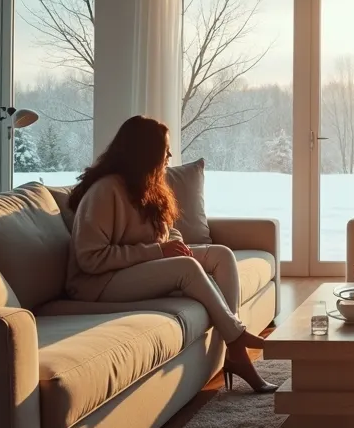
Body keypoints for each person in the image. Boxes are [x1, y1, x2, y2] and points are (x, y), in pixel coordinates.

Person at [65, 115, 277, 393]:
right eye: (164, 149)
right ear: (144, 152)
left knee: (222, 255)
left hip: (138, 268)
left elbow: (167, 233)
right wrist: (160, 252)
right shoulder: (105, 191)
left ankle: (233, 349)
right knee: (186, 269)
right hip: (100, 282)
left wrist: (178, 247)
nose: (170, 155)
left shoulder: (149, 186)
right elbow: (91, 259)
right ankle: (237, 340)